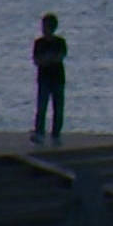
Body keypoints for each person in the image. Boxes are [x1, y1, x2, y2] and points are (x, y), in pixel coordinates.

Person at [31, 13, 68, 143]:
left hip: (57, 79)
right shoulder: (38, 43)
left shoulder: (60, 42)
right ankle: (39, 132)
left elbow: (60, 57)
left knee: (58, 108)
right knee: (41, 107)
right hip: (44, 79)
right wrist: (49, 59)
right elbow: (37, 60)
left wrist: (46, 59)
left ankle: (56, 133)